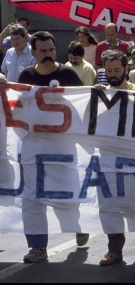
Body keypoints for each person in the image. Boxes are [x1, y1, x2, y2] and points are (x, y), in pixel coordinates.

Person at [16, 31, 88, 263]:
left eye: (51, 50)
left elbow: (83, 104)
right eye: (42, 51)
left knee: (66, 193)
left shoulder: (67, 74)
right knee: (32, 198)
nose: (47, 55)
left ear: (55, 51)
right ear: (33, 52)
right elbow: (16, 108)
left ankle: (78, 225)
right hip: (33, 149)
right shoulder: (25, 75)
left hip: (63, 148)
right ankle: (37, 247)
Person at [92, 50, 135, 266]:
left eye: (117, 70)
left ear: (126, 69)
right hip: (107, 158)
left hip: (134, 158)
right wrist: (98, 96)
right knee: (108, 204)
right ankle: (114, 249)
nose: (113, 74)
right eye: (109, 71)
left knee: (133, 200)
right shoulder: (101, 94)